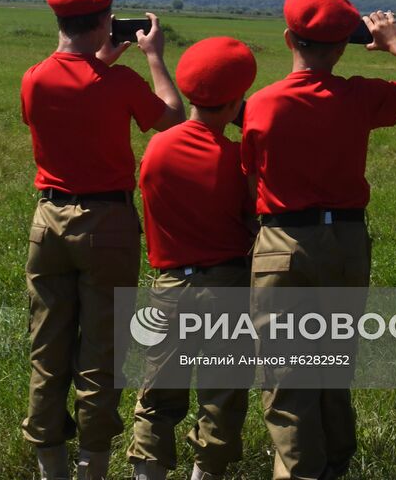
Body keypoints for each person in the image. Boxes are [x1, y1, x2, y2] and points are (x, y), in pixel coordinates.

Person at [241, 0, 396, 480]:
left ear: (289, 37)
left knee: (285, 380)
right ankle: (335, 464)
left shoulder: (262, 105)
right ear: (344, 46)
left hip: (284, 244)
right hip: (347, 244)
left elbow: (250, 183)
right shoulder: (360, 95)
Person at [21, 0, 185, 480]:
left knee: (47, 349)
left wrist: (96, 63)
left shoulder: (34, 77)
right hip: (106, 224)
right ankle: (92, 465)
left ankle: (51, 466)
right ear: (104, 22)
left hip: (47, 220)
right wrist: (154, 57)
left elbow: (67, 97)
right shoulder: (120, 82)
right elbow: (172, 120)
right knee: (101, 353)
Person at [128, 36, 257, 480]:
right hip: (228, 290)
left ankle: (148, 473)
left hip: (170, 288)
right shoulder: (238, 161)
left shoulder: (157, 150)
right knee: (222, 395)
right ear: (238, 99)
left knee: (157, 394)